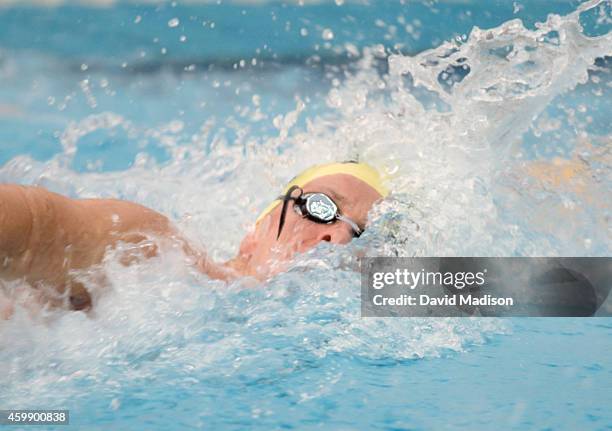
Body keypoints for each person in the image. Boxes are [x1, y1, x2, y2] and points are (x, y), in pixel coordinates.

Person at [0, 161, 388, 313]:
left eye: (360, 233)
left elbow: (447, 289)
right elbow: (38, 223)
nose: (335, 237)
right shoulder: (155, 251)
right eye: (321, 207)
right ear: (256, 231)